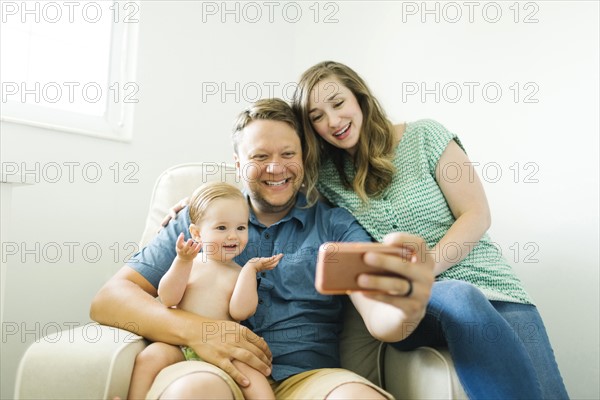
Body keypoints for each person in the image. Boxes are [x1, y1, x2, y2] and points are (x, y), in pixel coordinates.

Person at [90, 98, 435, 400]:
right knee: (195, 393)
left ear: (304, 158)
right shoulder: (201, 218)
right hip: (209, 369)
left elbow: (379, 318)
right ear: (238, 165)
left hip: (309, 378)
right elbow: (109, 300)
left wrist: (407, 307)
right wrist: (199, 331)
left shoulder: (335, 226)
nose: (276, 167)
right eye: (260, 156)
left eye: (288, 154)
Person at [292, 60, 569, 399]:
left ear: (359, 98)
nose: (333, 121)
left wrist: (429, 263)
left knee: (550, 392)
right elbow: (276, 180)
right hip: (413, 304)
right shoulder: (325, 178)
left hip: (495, 286)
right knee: (460, 295)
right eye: (317, 116)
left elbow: (476, 214)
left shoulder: (425, 136)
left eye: (338, 104)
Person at [127, 182, 282, 400]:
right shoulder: (189, 263)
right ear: (197, 234)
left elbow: (241, 312)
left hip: (226, 348)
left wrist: (250, 269)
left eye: (241, 227)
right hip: (180, 344)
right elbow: (168, 298)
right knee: (149, 358)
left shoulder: (238, 272)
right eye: (221, 228)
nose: (233, 236)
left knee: (255, 379)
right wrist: (181, 261)